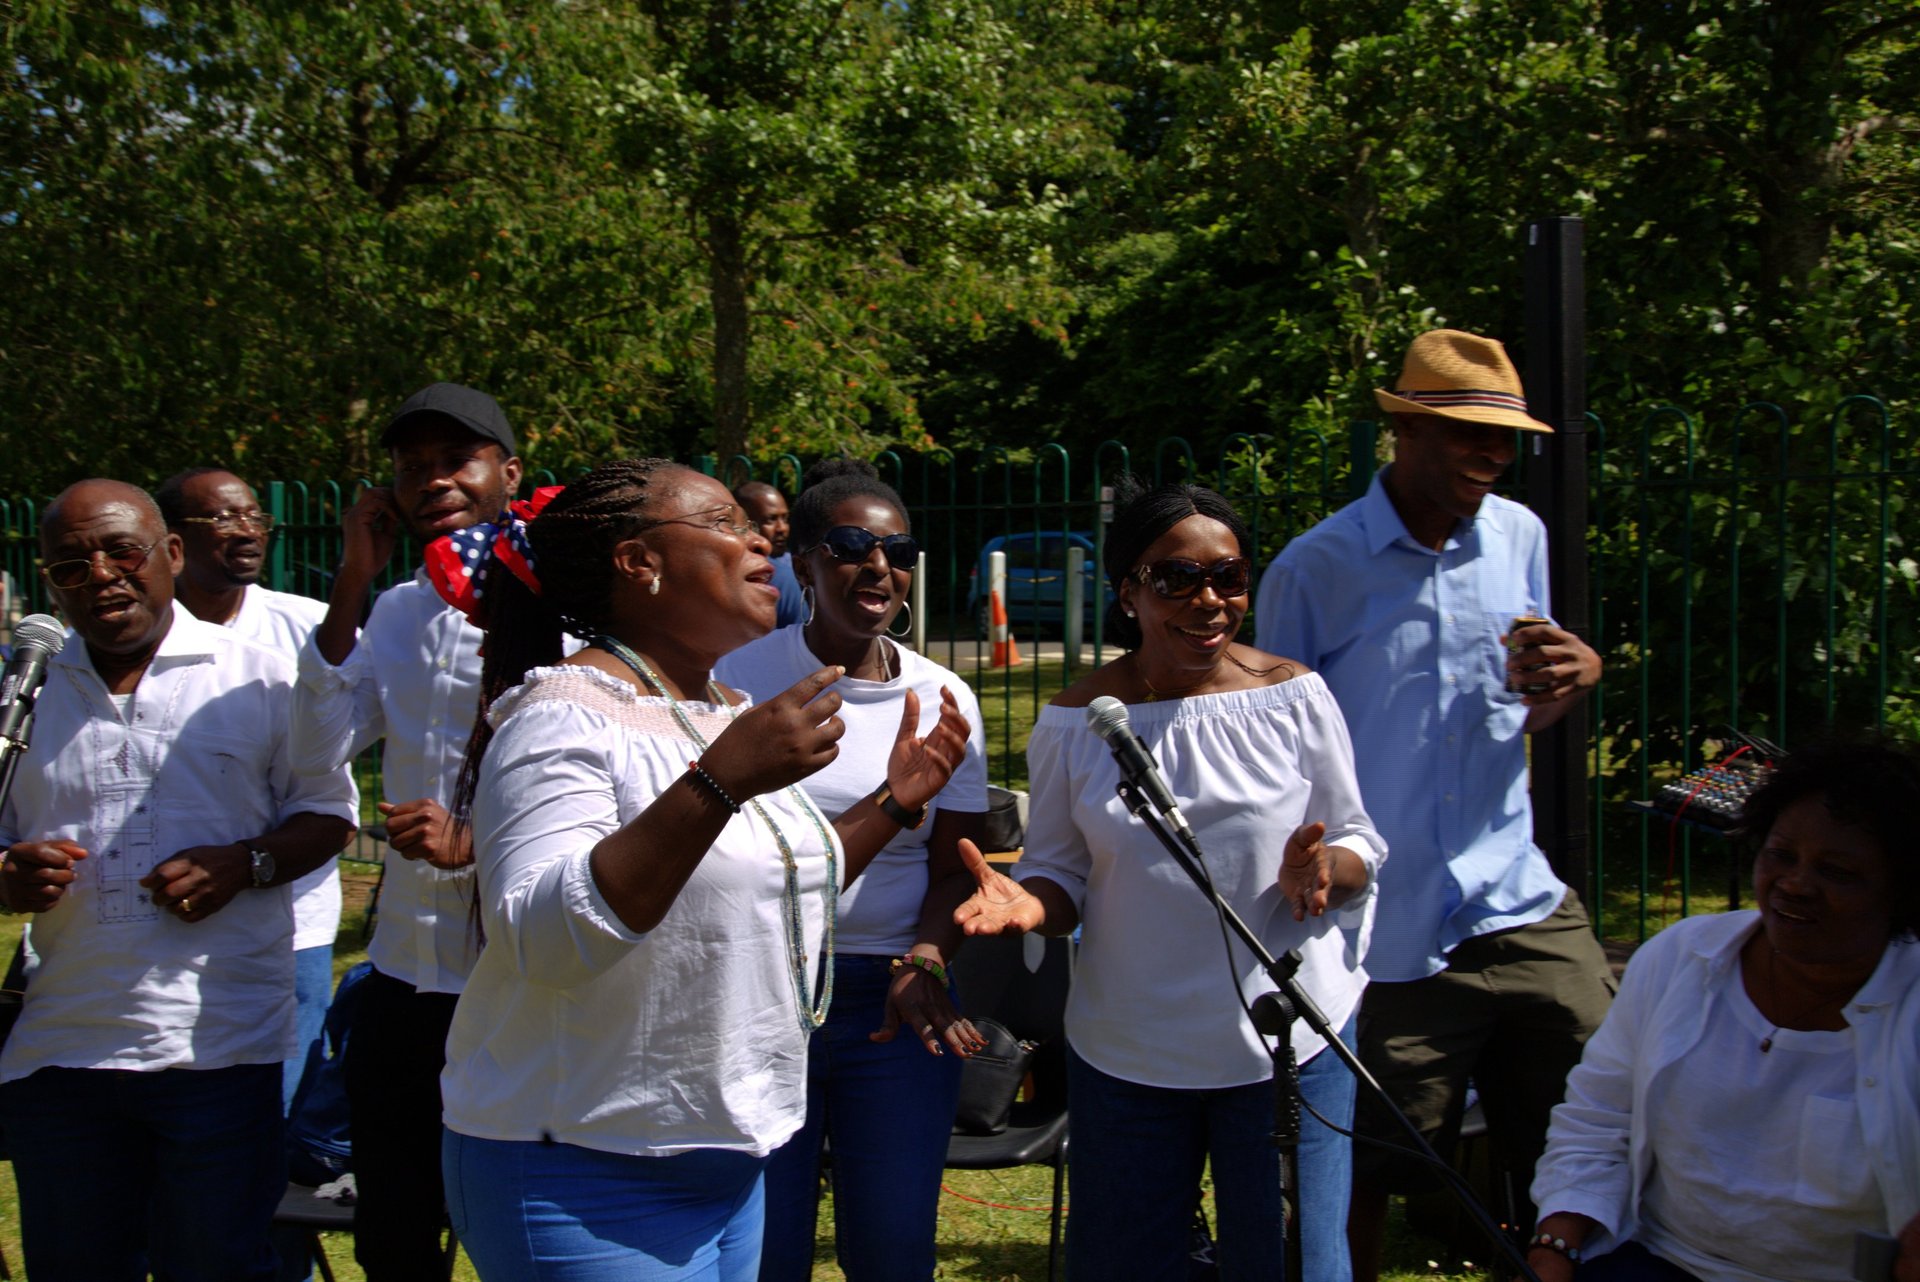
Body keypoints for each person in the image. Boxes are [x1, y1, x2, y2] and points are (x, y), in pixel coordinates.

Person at [435, 458, 972, 1280]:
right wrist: (720, 784)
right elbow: (542, 938)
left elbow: (784, 890)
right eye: (723, 523)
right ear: (638, 562)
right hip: (584, 1164)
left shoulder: (717, 711)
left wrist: (893, 805)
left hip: (723, 1159)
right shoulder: (560, 718)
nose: (760, 537)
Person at [954, 477, 1387, 1282]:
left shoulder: (1292, 698)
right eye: (1175, 579)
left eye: (1229, 576)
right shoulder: (1076, 723)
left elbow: (1360, 839)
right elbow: (1058, 874)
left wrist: (1329, 868)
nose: (1209, 599)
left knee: (1293, 1264)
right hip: (1131, 1055)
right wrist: (1030, 903)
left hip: (1285, 1046)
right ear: (1128, 593)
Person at [1254, 328, 1615, 1280]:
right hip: (1390, 926)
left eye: (1505, 440)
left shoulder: (1520, 538)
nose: (1493, 456)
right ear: (1406, 431)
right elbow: (1280, 753)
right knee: (1365, 1163)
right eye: (1469, 435)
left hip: (1518, 898)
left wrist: (1575, 679)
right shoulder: (1315, 569)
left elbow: (1529, 704)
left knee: (1592, 1135)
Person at [0, 479, 358, 1282]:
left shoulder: (263, 678)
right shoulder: (25, 698)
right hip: (62, 1053)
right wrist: (6, 874)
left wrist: (248, 863)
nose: (100, 575)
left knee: (214, 1265)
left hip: (217, 1048)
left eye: (121, 552)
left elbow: (330, 816)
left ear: (168, 555)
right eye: (70, 565)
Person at [716, 458, 991, 1282]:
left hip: (894, 1009)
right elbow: (725, 862)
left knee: (895, 1249)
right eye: (850, 545)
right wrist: (889, 803)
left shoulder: (947, 699)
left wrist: (925, 957)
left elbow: (957, 870)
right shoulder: (739, 682)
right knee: (771, 1251)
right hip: (763, 995)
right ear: (803, 562)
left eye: (897, 549)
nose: (879, 566)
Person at [1526, 737, 1920, 1282]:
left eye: (1839, 872)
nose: (1796, 884)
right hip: (1658, 1262)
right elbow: (1600, 1118)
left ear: (1901, 893)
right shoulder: (1681, 957)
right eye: (1781, 855)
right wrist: (1556, 1247)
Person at [289, 381, 521, 1279]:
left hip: (516, 971)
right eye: (411, 467)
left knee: (514, 1222)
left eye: (454, 461)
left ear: (507, 471)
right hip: (403, 970)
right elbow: (319, 746)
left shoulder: (564, 607)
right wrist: (353, 576)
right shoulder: (393, 612)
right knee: (394, 1226)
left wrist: (477, 841)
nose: (433, 481)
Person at [156, 465, 346, 1114]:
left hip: (294, 918)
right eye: (222, 518)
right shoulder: (130, 636)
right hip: (161, 919)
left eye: (254, 517)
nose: (245, 531)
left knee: (274, 1110)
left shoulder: (306, 628)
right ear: (172, 541)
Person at [736, 479, 806, 627]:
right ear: (743, 524)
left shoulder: (792, 568)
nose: (782, 528)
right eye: (771, 519)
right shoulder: (783, 577)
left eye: (785, 518)